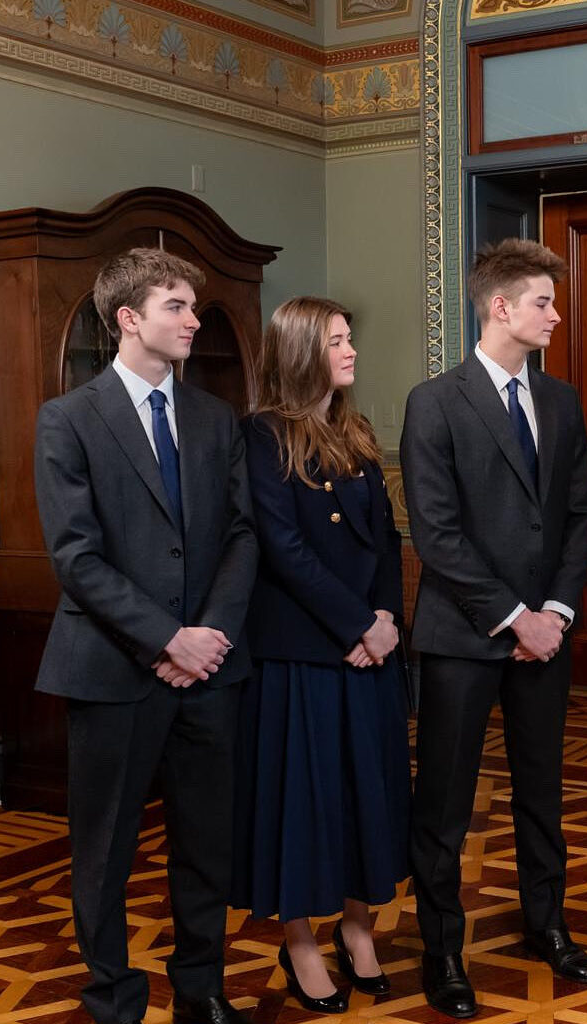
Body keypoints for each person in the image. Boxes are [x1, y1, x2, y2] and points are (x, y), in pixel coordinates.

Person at [33, 248, 257, 1024]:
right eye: (176, 306)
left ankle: (200, 989)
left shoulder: (215, 417)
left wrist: (210, 637)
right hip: (113, 669)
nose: (194, 320)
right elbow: (77, 558)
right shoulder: (68, 419)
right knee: (105, 851)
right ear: (129, 319)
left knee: (207, 842)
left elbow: (242, 534)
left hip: (212, 669)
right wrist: (168, 640)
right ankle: (113, 1000)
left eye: (194, 307)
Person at [400, 238, 587, 1018]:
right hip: (462, 637)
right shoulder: (436, 401)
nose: (556, 314)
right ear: (500, 307)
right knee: (444, 803)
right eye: (544, 301)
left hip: (548, 637)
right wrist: (514, 617)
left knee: (542, 792)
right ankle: (443, 951)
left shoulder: (561, 400)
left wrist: (556, 613)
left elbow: (581, 515)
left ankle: (547, 925)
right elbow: (436, 533)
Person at [230, 297, 408, 1014]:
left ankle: (359, 928)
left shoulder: (354, 429)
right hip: (302, 656)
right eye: (337, 340)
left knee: (372, 796)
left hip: (372, 651)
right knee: (302, 806)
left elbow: (388, 538)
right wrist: (356, 626)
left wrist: (389, 619)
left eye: (350, 338)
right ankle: (301, 940)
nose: (352, 350)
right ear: (303, 351)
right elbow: (285, 551)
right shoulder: (262, 435)